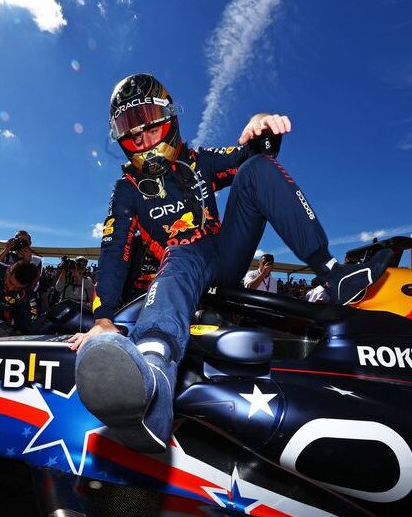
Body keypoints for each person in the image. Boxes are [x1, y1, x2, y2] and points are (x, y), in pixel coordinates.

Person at [68, 73, 393, 453]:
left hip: (225, 260)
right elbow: (114, 250)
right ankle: (154, 375)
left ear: (167, 118)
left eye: (147, 122)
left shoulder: (196, 161)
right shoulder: (126, 189)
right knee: (182, 249)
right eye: (130, 129)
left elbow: (256, 153)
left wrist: (260, 123)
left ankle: (334, 273)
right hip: (182, 272)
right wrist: (103, 318)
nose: (141, 137)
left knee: (256, 168)